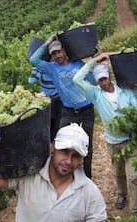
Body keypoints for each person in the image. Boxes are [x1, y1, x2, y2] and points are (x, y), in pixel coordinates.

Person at [0, 121, 107, 222]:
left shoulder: (89, 193)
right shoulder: (28, 175)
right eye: (64, 151)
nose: (68, 161)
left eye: (76, 156)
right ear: (52, 147)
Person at [72, 52, 137, 216]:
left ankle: (136, 211)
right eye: (100, 80)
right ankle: (121, 193)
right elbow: (77, 79)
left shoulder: (125, 90)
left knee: (133, 176)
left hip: (131, 140)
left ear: (109, 76)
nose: (103, 83)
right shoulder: (96, 94)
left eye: (104, 78)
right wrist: (93, 62)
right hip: (113, 142)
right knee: (118, 172)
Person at [29, 34, 97, 179]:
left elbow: (93, 80)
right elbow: (33, 60)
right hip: (68, 112)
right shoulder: (51, 68)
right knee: (60, 144)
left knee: (87, 147)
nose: (57, 55)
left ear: (64, 50)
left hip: (86, 111)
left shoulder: (78, 64)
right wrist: (47, 43)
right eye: (54, 53)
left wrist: (94, 60)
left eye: (59, 51)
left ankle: (87, 179)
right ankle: (61, 176)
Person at [28, 66, 62, 141]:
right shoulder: (41, 66)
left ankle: (53, 147)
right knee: (48, 126)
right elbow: (31, 81)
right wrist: (36, 68)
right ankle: (48, 146)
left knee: (55, 126)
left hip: (58, 100)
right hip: (47, 100)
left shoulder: (59, 65)